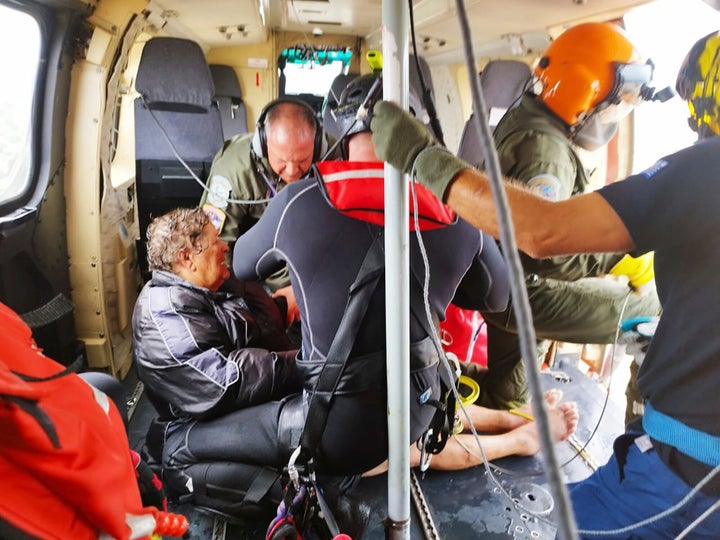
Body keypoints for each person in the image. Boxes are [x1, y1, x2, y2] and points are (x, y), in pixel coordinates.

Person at [369, 29, 720, 539]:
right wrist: (425, 159)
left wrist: (425, 159)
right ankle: (520, 426)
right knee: (636, 304)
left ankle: (519, 426)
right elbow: (543, 234)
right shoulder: (547, 142)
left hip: (689, 466)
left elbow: (545, 232)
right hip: (685, 465)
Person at [232, 73, 577, 476]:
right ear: (416, 135)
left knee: (191, 441)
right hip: (421, 407)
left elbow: (242, 266)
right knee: (410, 406)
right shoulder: (456, 210)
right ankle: (515, 422)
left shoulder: (296, 202)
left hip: (335, 428)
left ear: (336, 137)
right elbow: (498, 297)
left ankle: (522, 436)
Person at [466, 22, 662, 410]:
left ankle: (492, 406)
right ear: (585, 91)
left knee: (509, 397)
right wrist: (623, 253)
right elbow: (547, 248)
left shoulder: (527, 119)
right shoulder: (544, 149)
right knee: (654, 308)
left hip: (498, 277)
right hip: (524, 288)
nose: (611, 114)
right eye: (613, 102)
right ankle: (649, 441)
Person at [132, 207, 305, 518]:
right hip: (198, 424)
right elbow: (227, 381)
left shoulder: (210, 286)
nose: (226, 246)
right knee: (302, 422)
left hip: (236, 403)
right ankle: (295, 502)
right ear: (186, 258)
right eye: (215, 242)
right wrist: (305, 364)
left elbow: (245, 325)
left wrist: (283, 306)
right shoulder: (165, 318)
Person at [200, 98, 334, 327]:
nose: (292, 171)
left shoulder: (335, 153)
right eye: (281, 161)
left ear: (318, 144)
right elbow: (214, 246)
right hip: (259, 273)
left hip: (320, 265)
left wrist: (308, 290)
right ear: (262, 144)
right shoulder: (234, 169)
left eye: (303, 160)